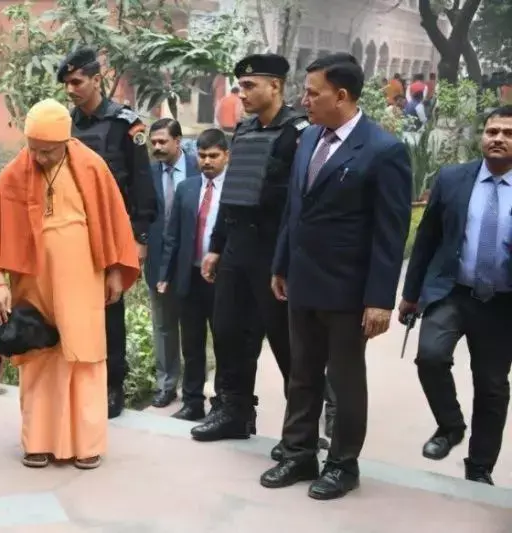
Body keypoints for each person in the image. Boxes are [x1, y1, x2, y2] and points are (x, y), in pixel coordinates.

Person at [262, 53, 412, 500]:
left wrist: (380, 299)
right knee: (302, 374)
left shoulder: (383, 150)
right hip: (303, 283)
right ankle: (298, 453)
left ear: (341, 96)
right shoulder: (308, 139)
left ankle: (343, 464)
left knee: (344, 382)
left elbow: (390, 232)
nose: (303, 99)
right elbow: (296, 208)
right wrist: (281, 264)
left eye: (312, 92)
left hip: (348, 292)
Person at [0, 98, 140, 470]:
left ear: (65, 142)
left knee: (83, 355)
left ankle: (87, 444)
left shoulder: (92, 167)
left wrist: (116, 269)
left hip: (83, 276)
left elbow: (115, 220)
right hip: (33, 281)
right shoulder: (14, 173)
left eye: (48, 151)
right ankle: (38, 441)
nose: (40, 158)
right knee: (38, 354)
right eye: (33, 149)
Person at [190, 53, 309, 443]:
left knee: (286, 343)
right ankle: (234, 412)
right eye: (240, 86)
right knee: (228, 333)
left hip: (274, 252)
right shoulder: (242, 131)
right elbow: (233, 195)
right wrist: (217, 246)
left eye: (249, 86)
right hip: (238, 249)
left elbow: (300, 204)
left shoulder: (300, 133)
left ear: (275, 86)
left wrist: (289, 260)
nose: (241, 94)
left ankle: (302, 429)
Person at [398, 105, 512, 486]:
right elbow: (427, 238)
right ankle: (450, 426)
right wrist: (410, 294)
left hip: (502, 305)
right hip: (451, 291)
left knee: (492, 386)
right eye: (492, 130)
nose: (498, 138)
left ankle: (479, 466)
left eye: (508, 133)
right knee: (429, 356)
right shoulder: (452, 179)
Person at [57, 46, 158, 419]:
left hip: (113, 233)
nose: (71, 89)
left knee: (110, 310)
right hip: (70, 233)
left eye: (76, 81)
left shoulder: (124, 124)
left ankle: (113, 385)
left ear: (96, 79)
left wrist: (140, 237)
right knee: (70, 309)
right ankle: (76, 379)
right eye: (66, 83)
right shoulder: (65, 126)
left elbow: (142, 185)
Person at [157, 129, 228, 420]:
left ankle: (223, 404)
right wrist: (165, 274)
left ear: (226, 156)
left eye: (213, 156)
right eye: (202, 156)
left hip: (223, 280)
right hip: (191, 277)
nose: (207, 161)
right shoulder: (187, 188)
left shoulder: (235, 187)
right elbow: (173, 236)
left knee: (224, 343)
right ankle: (193, 402)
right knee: (192, 343)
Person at [144, 118, 200, 409]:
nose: (157, 147)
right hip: (157, 260)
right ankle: (166, 385)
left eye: (163, 141)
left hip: (193, 261)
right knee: (164, 326)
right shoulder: (148, 173)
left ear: (178, 141)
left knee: (195, 327)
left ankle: (195, 390)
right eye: (153, 142)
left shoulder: (198, 168)